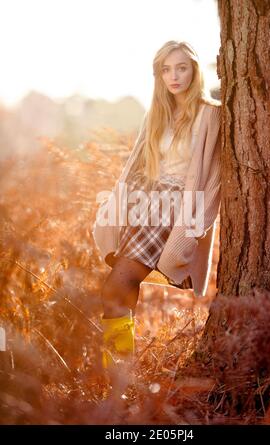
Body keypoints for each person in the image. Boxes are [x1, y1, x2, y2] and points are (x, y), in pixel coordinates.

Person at [92, 40, 221, 371]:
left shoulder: (211, 114)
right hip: (144, 201)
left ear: (194, 70)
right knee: (119, 287)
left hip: (173, 207)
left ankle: (118, 379)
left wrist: (194, 225)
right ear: (158, 75)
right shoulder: (157, 113)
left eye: (181, 68)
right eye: (166, 69)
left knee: (117, 285)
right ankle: (119, 377)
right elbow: (136, 165)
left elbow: (215, 179)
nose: (174, 76)